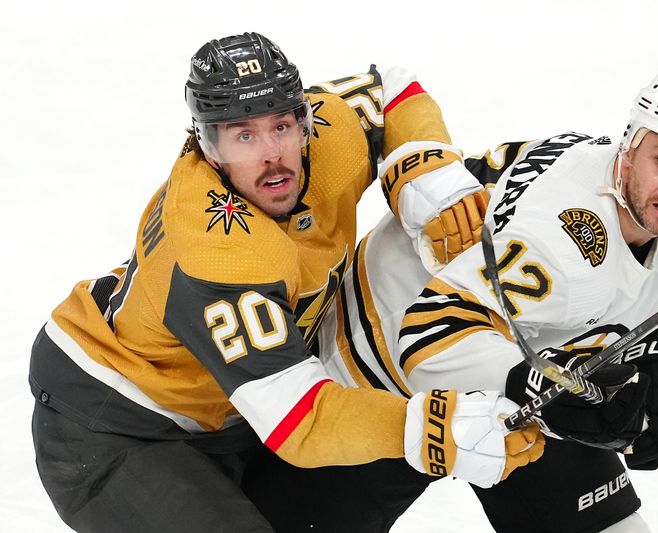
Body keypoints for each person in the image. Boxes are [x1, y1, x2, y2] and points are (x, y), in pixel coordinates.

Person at [28, 32, 544, 532]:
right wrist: (434, 428)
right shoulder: (218, 251)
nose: (271, 153)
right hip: (116, 421)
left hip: (235, 410)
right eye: (244, 135)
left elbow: (389, 90)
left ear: (305, 121)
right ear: (208, 147)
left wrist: (426, 170)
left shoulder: (330, 138)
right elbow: (302, 423)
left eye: (281, 126)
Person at [316, 64, 658, 532]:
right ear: (628, 148)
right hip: (372, 372)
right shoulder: (564, 241)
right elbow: (430, 332)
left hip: (519, 358)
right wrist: (546, 389)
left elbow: (634, 300)